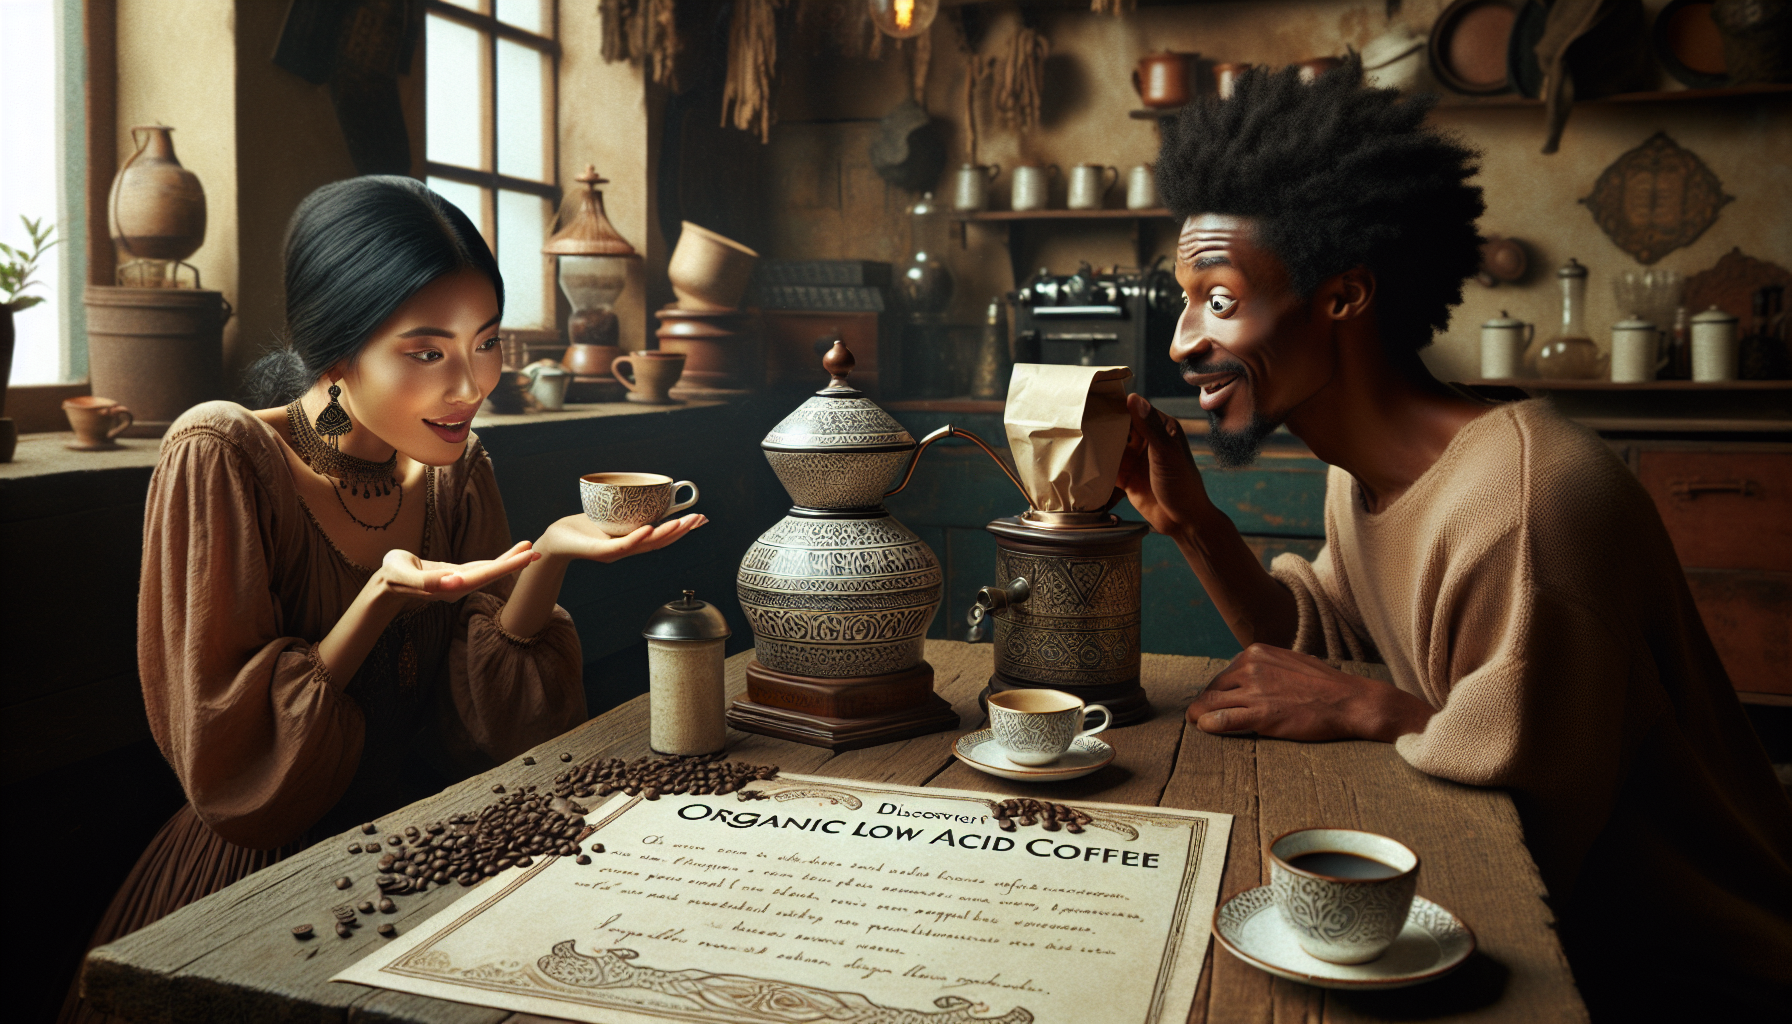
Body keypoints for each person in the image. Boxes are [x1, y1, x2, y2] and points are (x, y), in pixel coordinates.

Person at [1118, 60, 1792, 1019]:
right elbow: (1328, 647)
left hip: (1678, 967)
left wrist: (1371, 712)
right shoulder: (1367, 475)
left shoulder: (1526, 501)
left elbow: (1526, 811)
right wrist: (1195, 527)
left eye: (1218, 300)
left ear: (1345, 297)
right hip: (1556, 923)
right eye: (1184, 302)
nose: (1183, 341)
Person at [61, 176, 705, 1023]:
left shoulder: (453, 469)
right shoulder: (221, 453)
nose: (470, 385)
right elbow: (231, 762)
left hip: (404, 864)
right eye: (427, 351)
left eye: (485, 343)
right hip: (248, 893)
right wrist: (377, 599)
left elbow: (486, 726)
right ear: (336, 349)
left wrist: (547, 555)